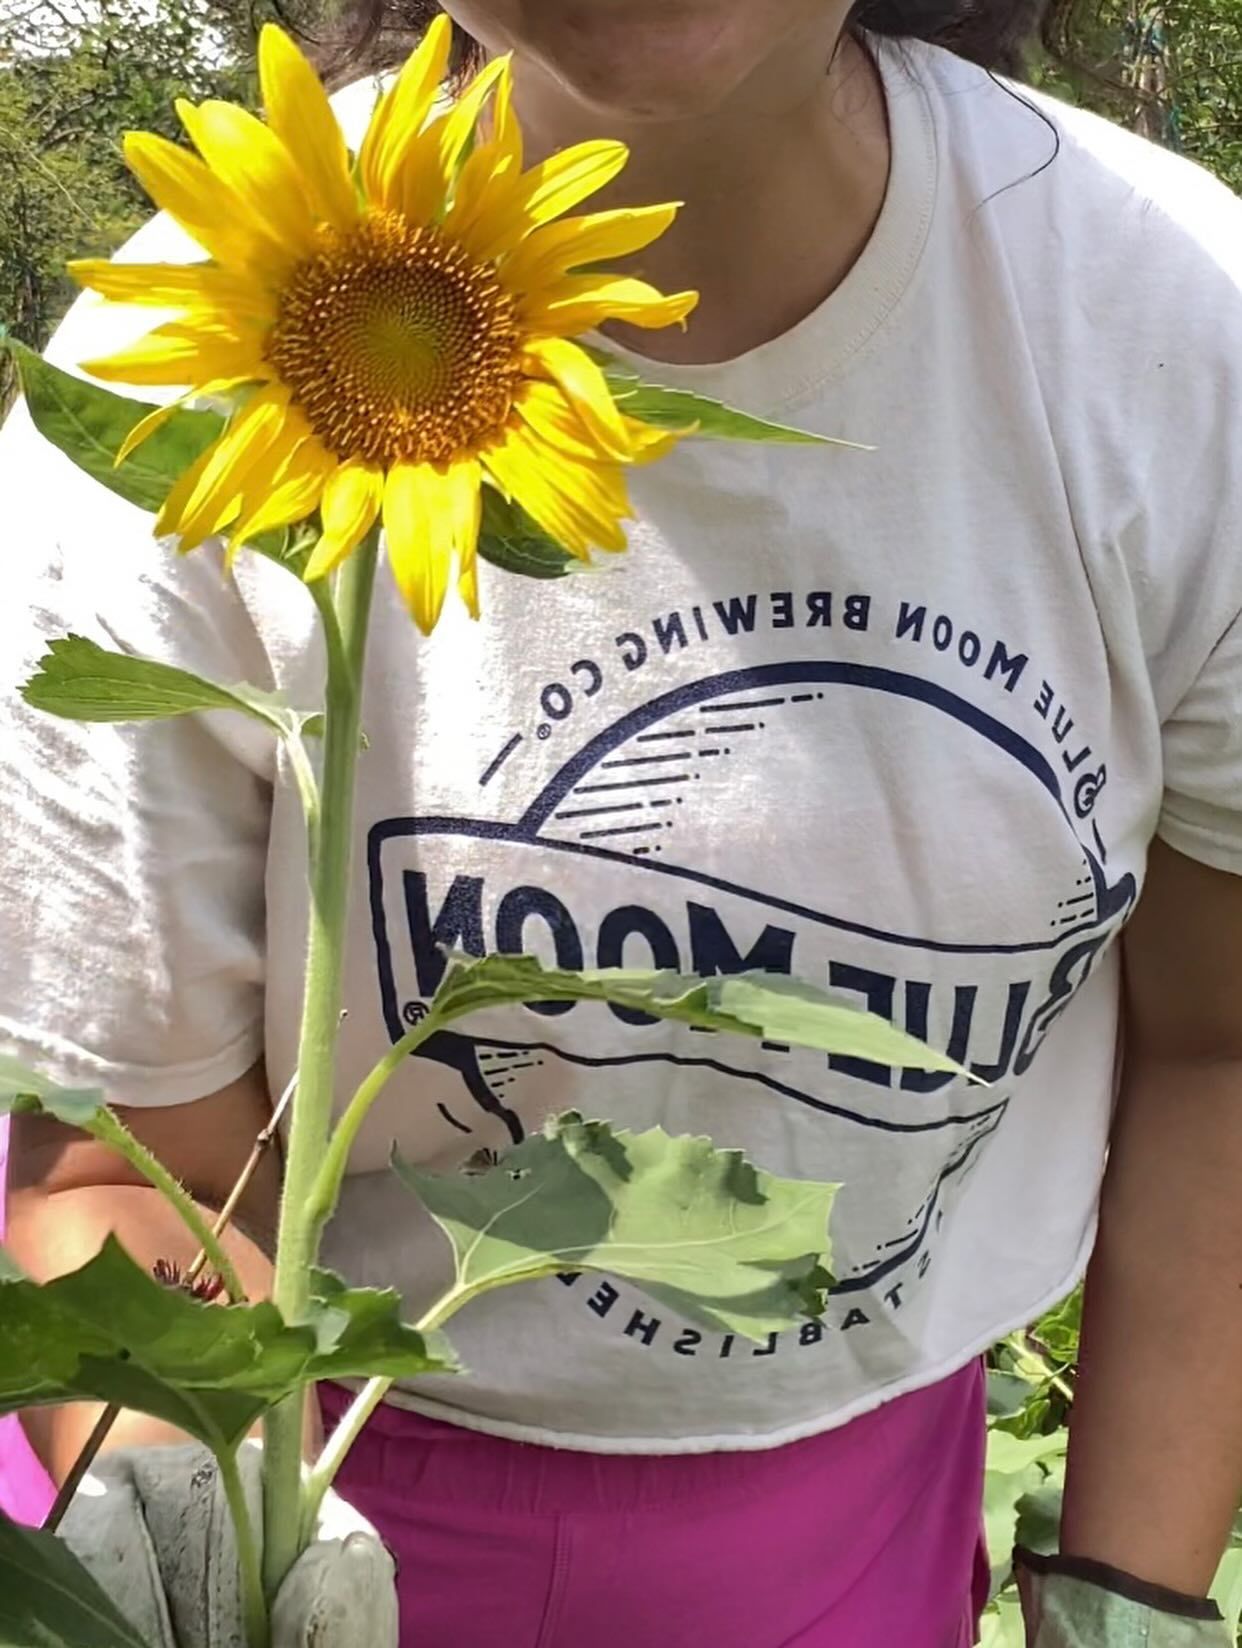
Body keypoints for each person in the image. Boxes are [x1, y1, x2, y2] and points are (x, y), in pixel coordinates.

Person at [3, 1, 1241, 1643]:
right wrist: (211, 1529)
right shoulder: (169, 390)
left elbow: (1217, 1047)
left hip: (855, 1499)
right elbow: (124, 1164)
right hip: (297, 1457)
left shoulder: (1170, 329)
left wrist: (1128, 1606)